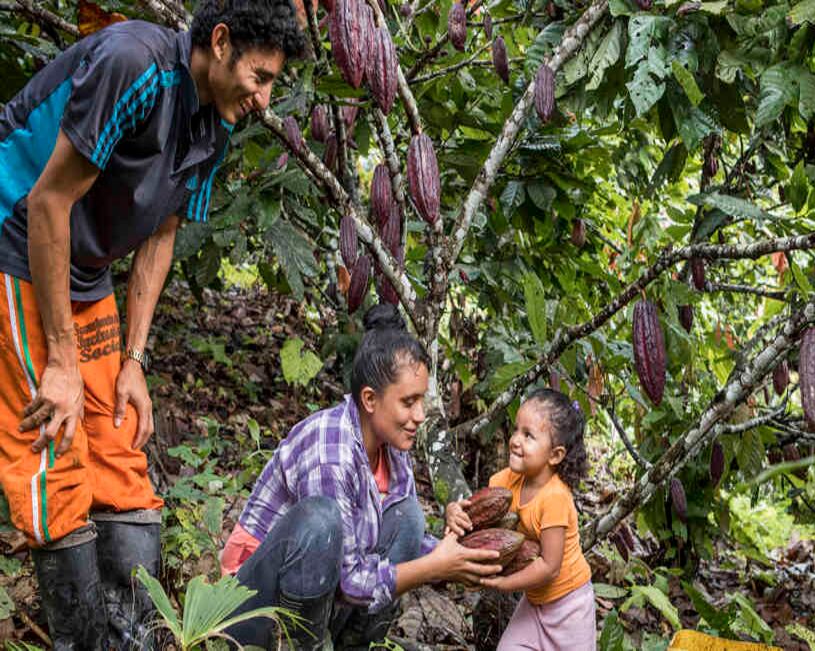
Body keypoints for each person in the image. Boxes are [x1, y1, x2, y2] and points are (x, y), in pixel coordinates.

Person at [0, 1, 305, 647]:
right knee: (53, 443)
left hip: (84, 267)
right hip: (14, 238)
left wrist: (133, 359)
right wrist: (60, 361)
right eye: (260, 76)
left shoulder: (213, 123)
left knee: (119, 442)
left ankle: (134, 637)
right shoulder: (132, 62)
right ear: (219, 42)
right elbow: (48, 202)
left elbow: (160, 234)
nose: (264, 97)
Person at [221, 304, 504, 649]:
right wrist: (436, 567)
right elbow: (350, 578)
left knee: (408, 518)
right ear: (370, 399)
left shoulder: (393, 448)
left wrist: (456, 553)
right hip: (246, 610)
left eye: (422, 402)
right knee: (321, 521)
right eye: (408, 402)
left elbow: (404, 543)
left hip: (320, 598)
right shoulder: (331, 451)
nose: (419, 415)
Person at [446, 388, 597, 650]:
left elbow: (549, 567)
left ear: (555, 455)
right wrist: (454, 512)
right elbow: (476, 517)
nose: (515, 440)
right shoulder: (504, 482)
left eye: (528, 436)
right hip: (535, 603)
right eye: (516, 430)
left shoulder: (555, 498)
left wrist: (505, 584)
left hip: (570, 606)